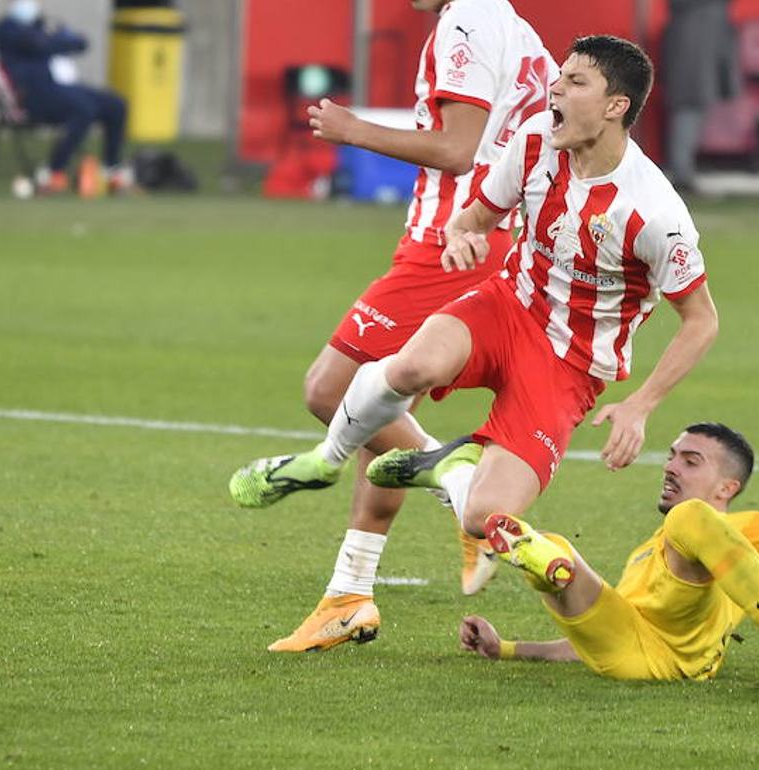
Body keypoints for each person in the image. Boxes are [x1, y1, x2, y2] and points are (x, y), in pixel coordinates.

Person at [230, 35, 719, 649]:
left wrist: (641, 405)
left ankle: (447, 466)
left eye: (575, 83)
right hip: (506, 307)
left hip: (569, 364)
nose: (555, 90)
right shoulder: (537, 140)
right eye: (559, 77)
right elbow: (476, 217)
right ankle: (323, 461)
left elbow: (701, 320)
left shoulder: (656, 213)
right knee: (411, 367)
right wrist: (463, 237)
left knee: (484, 518)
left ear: (616, 106)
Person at [229, 0, 557, 651]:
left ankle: (460, 489)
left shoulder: (465, 20)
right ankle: (349, 594)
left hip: (452, 241)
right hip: (488, 236)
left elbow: (457, 150)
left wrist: (354, 130)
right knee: (376, 407)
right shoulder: (509, 23)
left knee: (331, 390)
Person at [447, 400, 759, 692]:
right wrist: (504, 649)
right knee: (559, 552)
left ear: (728, 486)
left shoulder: (747, 530)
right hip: (626, 652)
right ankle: (539, 554)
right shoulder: (644, 554)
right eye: (671, 456)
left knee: (688, 518)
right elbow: (597, 643)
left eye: (690, 461)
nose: (669, 467)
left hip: (671, 665)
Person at [0, 0, 131, 194]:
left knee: (116, 105)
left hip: (59, 87)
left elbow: (81, 43)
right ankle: (55, 172)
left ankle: (111, 171)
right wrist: (58, 39)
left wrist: (55, 39)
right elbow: (37, 44)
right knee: (83, 109)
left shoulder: (39, 26)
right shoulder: (5, 29)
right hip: (33, 95)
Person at [662, 0, 738, 193]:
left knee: (694, 108)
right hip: (694, 44)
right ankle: (682, 172)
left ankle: (683, 170)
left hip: (704, 41)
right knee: (689, 106)